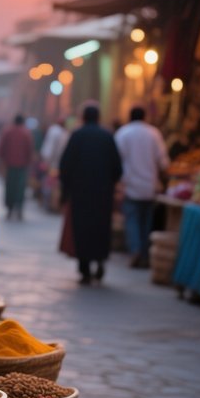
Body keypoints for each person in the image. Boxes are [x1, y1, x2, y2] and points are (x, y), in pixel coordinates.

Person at [59, 104, 123, 285]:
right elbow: (117, 167)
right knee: (100, 228)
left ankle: (84, 268)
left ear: (84, 117)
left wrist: (67, 188)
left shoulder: (77, 135)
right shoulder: (107, 137)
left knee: (82, 228)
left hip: (81, 192)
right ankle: (100, 260)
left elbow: (66, 165)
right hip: (103, 193)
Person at [115, 106, 170, 268]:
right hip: (149, 186)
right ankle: (144, 253)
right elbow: (164, 162)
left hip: (130, 185)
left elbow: (117, 160)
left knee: (132, 219)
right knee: (146, 222)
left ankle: (135, 249)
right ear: (145, 117)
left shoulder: (123, 133)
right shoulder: (154, 133)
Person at [0, 114, 35, 220]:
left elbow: (1, 148)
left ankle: (9, 208)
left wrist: (1, 161)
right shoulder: (26, 133)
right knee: (20, 188)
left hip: (9, 165)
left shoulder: (7, 131)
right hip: (22, 166)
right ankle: (19, 208)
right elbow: (30, 149)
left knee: (10, 187)